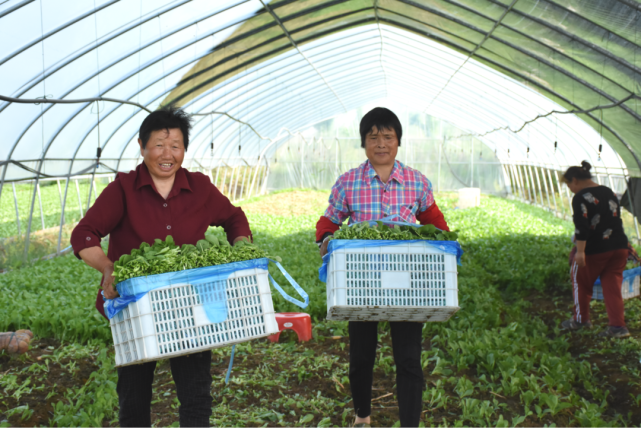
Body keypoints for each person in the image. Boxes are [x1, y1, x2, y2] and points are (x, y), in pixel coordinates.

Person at [71, 106, 252, 427]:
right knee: (134, 397)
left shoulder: (199, 187)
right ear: (142, 146)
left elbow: (234, 217)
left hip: (188, 304)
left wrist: (241, 250)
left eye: (176, 146)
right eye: (158, 145)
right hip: (135, 309)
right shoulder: (124, 189)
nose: (167, 154)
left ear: (184, 149)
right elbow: (83, 235)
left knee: (196, 396)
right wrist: (108, 268)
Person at [316, 107, 449, 428]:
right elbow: (329, 221)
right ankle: (363, 416)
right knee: (361, 356)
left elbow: (435, 222)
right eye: (373, 137)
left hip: (406, 280)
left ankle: (409, 424)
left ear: (398, 142)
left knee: (408, 358)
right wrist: (325, 239)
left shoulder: (416, 181)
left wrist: (446, 246)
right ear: (364, 143)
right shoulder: (348, 182)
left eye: (387, 137)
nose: (381, 144)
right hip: (361, 279)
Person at [561, 161, 630, 338]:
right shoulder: (608, 191)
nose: (569, 188)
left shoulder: (580, 197)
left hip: (595, 249)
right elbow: (615, 219)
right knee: (613, 287)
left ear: (575, 180)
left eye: (569, 184)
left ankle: (581, 320)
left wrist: (580, 252)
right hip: (618, 247)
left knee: (580, 282)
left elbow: (582, 227)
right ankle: (618, 328)